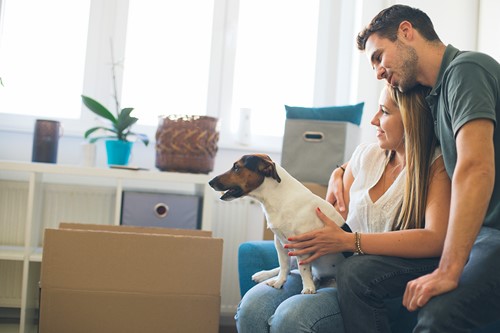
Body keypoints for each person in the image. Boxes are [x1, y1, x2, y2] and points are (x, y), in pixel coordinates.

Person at [318, 4, 500, 332]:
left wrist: (448, 269)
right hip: (477, 235)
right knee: (356, 273)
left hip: (494, 233)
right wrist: (341, 170)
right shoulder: (435, 96)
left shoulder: (467, 70)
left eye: (378, 57)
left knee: (438, 316)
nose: (377, 72)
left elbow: (475, 167)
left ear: (406, 32)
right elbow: (400, 140)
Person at [235, 83, 451, 333]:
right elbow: (336, 214)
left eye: (384, 112)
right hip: (321, 266)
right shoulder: (366, 156)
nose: (373, 120)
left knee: (292, 318)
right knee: (252, 309)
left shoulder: (436, 168)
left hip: (364, 283)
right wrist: (337, 173)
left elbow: (436, 239)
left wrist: (350, 241)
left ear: (413, 119)